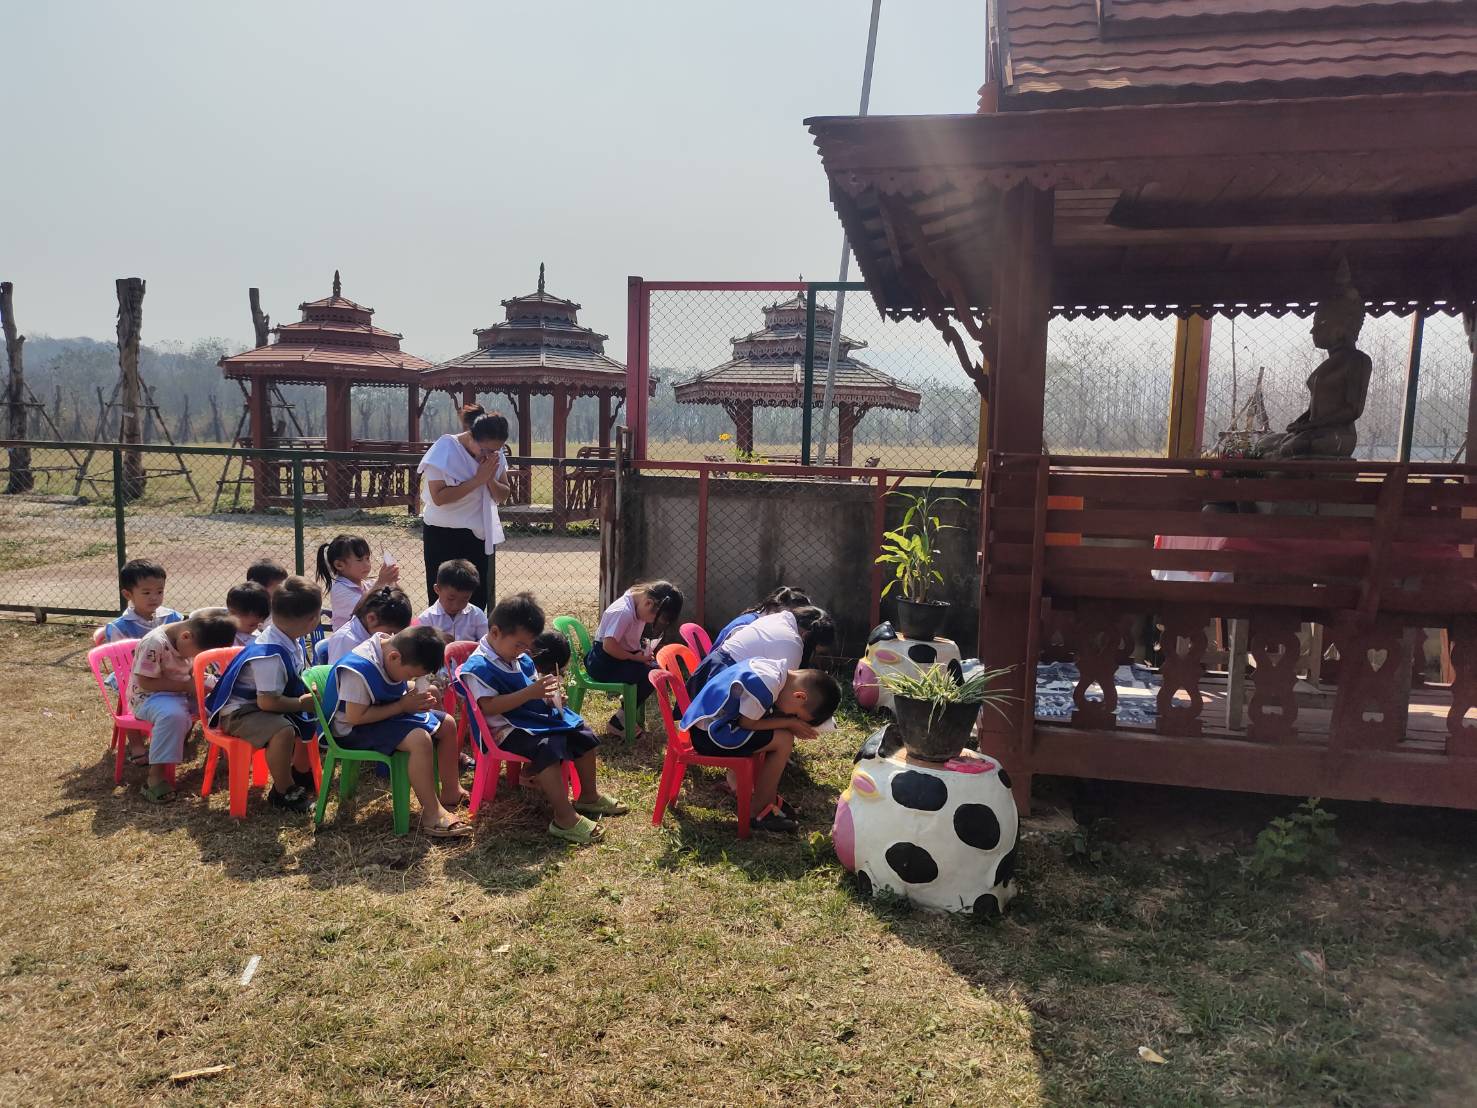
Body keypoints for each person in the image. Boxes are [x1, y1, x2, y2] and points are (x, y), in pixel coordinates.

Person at [460, 593, 626, 845]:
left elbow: (532, 686)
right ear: (495, 632)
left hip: (529, 718)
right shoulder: (479, 667)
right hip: (504, 730)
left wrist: (550, 698)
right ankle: (564, 818)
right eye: (519, 645)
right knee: (548, 747)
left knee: (581, 731)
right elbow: (489, 707)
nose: (523, 651)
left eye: (528, 646)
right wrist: (530, 693)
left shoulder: (518, 657)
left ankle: (588, 795)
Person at [323, 624, 470, 839]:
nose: (408, 679)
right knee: (419, 739)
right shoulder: (358, 669)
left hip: (383, 715)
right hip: (353, 730)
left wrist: (418, 695)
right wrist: (402, 706)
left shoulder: (391, 649)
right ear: (394, 657)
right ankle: (432, 813)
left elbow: (394, 685)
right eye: (410, 675)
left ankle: (451, 791)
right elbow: (355, 717)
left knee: (447, 723)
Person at [679, 658, 840, 833]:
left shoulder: (775, 670)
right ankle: (757, 811)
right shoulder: (767, 685)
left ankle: (766, 799)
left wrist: (787, 722)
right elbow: (747, 723)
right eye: (795, 714)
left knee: (780, 735)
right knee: (784, 741)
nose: (789, 715)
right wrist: (789, 723)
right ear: (800, 696)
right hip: (710, 736)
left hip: (709, 726)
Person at [205, 576, 324, 813]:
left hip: (259, 706)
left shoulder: (287, 638)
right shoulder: (270, 654)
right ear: (313, 620)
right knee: (283, 730)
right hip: (239, 712)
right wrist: (300, 704)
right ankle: (283, 791)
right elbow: (267, 702)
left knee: (308, 718)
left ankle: (301, 772)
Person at [127, 612, 238, 803]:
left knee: (226, 699)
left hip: (182, 690)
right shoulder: (154, 643)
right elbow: (145, 682)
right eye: (195, 654)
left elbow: (192, 671)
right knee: (173, 715)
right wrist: (187, 686)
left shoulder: (189, 638)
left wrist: (209, 683)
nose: (194, 657)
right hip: (149, 697)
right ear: (186, 637)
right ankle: (155, 776)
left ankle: (228, 757)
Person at [415, 406, 511, 610]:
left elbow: (503, 494)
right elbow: (439, 497)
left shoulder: (494, 455)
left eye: (495, 450)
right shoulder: (445, 448)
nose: (490, 455)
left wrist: (489, 480)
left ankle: (472, 632)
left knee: (475, 599)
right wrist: (477, 480)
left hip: (476, 535)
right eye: (485, 450)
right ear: (471, 436)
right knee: (443, 599)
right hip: (442, 534)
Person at [586, 580, 684, 737]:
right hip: (602, 663)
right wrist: (635, 658)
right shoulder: (623, 612)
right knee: (652, 675)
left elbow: (626, 639)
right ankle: (619, 721)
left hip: (617, 657)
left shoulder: (637, 603)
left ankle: (626, 709)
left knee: (655, 670)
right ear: (648, 603)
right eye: (654, 617)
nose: (650, 622)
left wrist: (641, 653)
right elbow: (609, 646)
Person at [687, 605, 835, 700]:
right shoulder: (792, 645)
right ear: (807, 636)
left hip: (709, 674)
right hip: (722, 690)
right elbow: (785, 697)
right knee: (782, 734)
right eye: (815, 650)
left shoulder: (778, 618)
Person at [316, 533, 399, 631]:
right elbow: (362, 610)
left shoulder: (368, 584)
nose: (367, 564)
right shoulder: (339, 589)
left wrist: (392, 582)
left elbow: (396, 601)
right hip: (348, 639)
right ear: (339, 565)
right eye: (359, 560)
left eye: (367, 558)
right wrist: (381, 582)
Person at [321, 585, 413, 665]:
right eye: (391, 632)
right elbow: (337, 676)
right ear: (371, 619)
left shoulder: (371, 634)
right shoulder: (346, 640)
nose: (391, 638)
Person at [711, 586, 813, 653]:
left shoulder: (767, 625)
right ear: (773, 607)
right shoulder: (746, 626)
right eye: (789, 616)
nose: (792, 622)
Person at [102, 559, 183, 642]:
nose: (154, 597)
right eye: (147, 593)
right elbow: (117, 650)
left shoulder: (172, 618)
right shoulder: (120, 628)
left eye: (159, 592)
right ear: (128, 595)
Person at [418, 558, 489, 643]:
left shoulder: (476, 615)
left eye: (465, 599)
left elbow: (487, 643)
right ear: (437, 589)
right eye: (451, 598)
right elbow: (419, 646)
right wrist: (435, 640)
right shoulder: (427, 619)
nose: (456, 606)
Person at [226, 582, 271, 647]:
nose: (256, 628)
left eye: (259, 624)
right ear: (232, 614)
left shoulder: (254, 633)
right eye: (252, 625)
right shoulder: (227, 639)